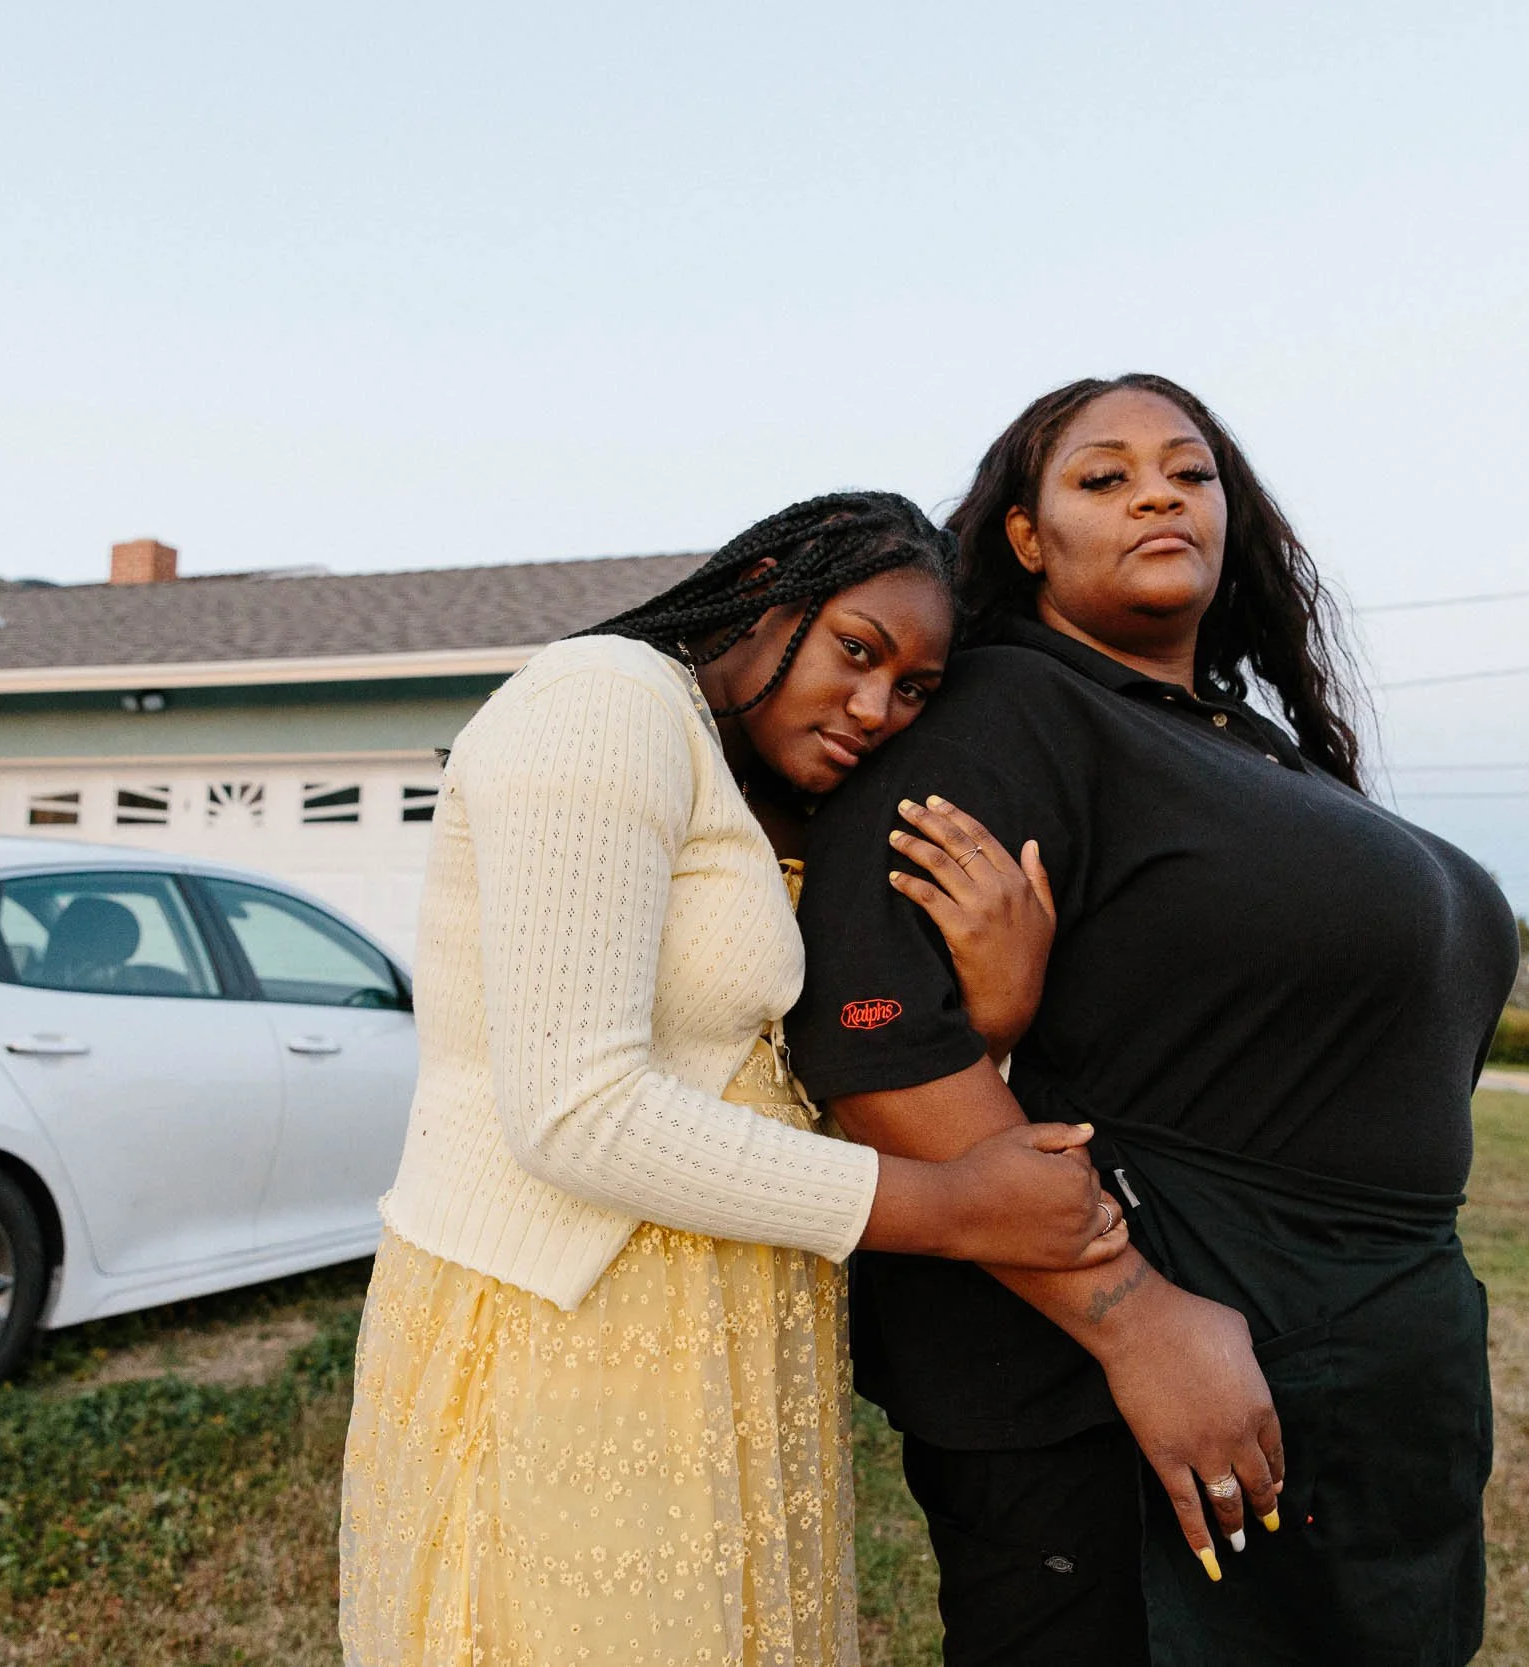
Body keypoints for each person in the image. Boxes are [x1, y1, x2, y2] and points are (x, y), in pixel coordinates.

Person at [789, 378, 1519, 1665]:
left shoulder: (1246, 744)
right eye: (1102, 475)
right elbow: (877, 1036)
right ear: (1026, 539)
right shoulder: (1009, 709)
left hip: (1361, 1364)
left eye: (1190, 473)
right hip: (1132, 1393)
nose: (1155, 494)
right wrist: (1129, 1311)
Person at [337, 489, 1129, 1667]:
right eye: (858, 651)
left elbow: (765, 1070)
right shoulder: (603, 699)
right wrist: (953, 1207)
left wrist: (993, 1016)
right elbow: (574, 1108)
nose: (876, 707)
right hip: (571, 1320)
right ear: (763, 589)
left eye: (912, 687)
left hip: (731, 1319)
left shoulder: (738, 771)